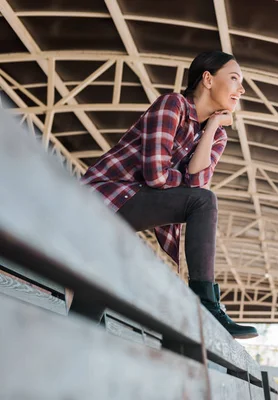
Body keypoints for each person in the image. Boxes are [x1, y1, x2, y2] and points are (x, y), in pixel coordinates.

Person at [81, 51, 257, 339]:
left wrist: (212, 127)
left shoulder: (218, 135)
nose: (242, 89)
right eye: (235, 79)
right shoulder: (172, 104)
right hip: (102, 198)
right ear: (208, 80)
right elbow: (156, 175)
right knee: (204, 202)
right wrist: (185, 181)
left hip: (126, 210)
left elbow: (197, 182)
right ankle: (206, 302)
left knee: (89, 316)